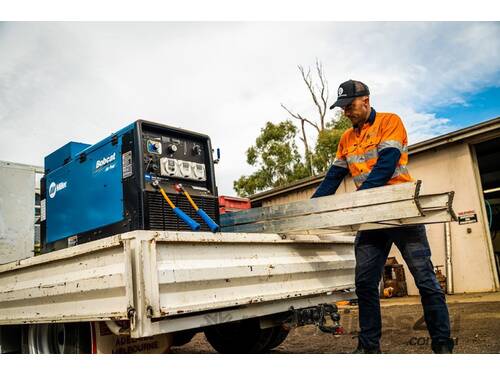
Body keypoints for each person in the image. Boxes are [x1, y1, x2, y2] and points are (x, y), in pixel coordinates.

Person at [311, 80, 454, 354]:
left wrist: (360, 197)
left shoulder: (390, 122)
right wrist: (312, 209)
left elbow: (387, 165)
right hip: (370, 219)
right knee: (365, 284)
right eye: (342, 108)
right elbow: (333, 178)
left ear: (365, 100)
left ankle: (443, 347)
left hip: (401, 213)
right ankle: (368, 349)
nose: (346, 113)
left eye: (349, 106)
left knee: (425, 279)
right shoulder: (346, 139)